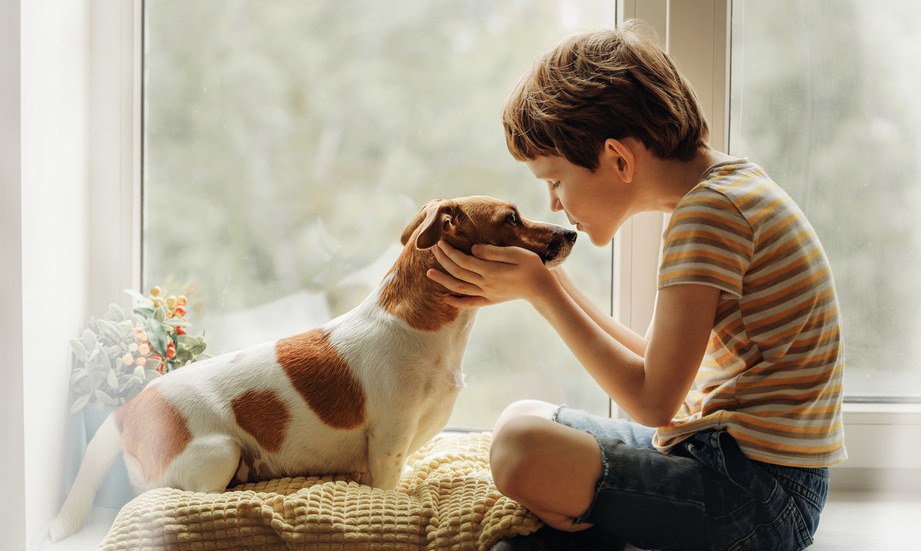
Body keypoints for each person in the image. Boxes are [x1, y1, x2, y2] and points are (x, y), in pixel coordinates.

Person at [426, 22, 845, 551]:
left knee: (519, 447)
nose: (554, 204)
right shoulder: (726, 190)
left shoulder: (710, 216)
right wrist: (549, 281)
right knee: (521, 418)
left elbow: (654, 402)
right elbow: (657, 362)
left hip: (760, 498)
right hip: (733, 462)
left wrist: (545, 294)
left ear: (619, 159)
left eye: (555, 181)